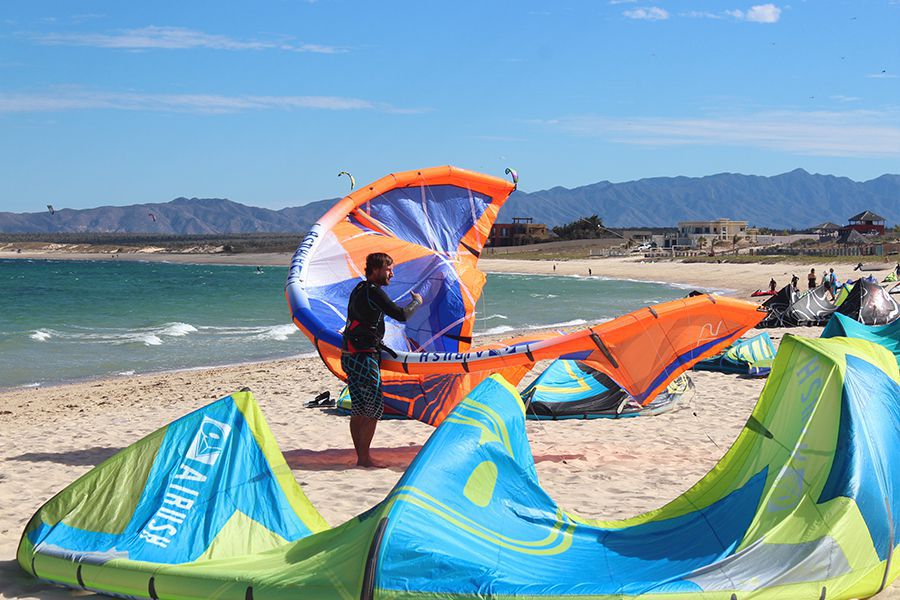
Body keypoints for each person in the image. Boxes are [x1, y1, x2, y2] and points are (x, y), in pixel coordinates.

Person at [342, 252, 423, 468]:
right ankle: (364, 458)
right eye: (389, 270)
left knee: (359, 407)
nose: (392, 274)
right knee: (374, 408)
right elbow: (402, 315)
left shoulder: (359, 289)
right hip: (363, 357)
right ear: (376, 269)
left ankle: (362, 457)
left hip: (350, 354)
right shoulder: (372, 291)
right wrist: (416, 302)